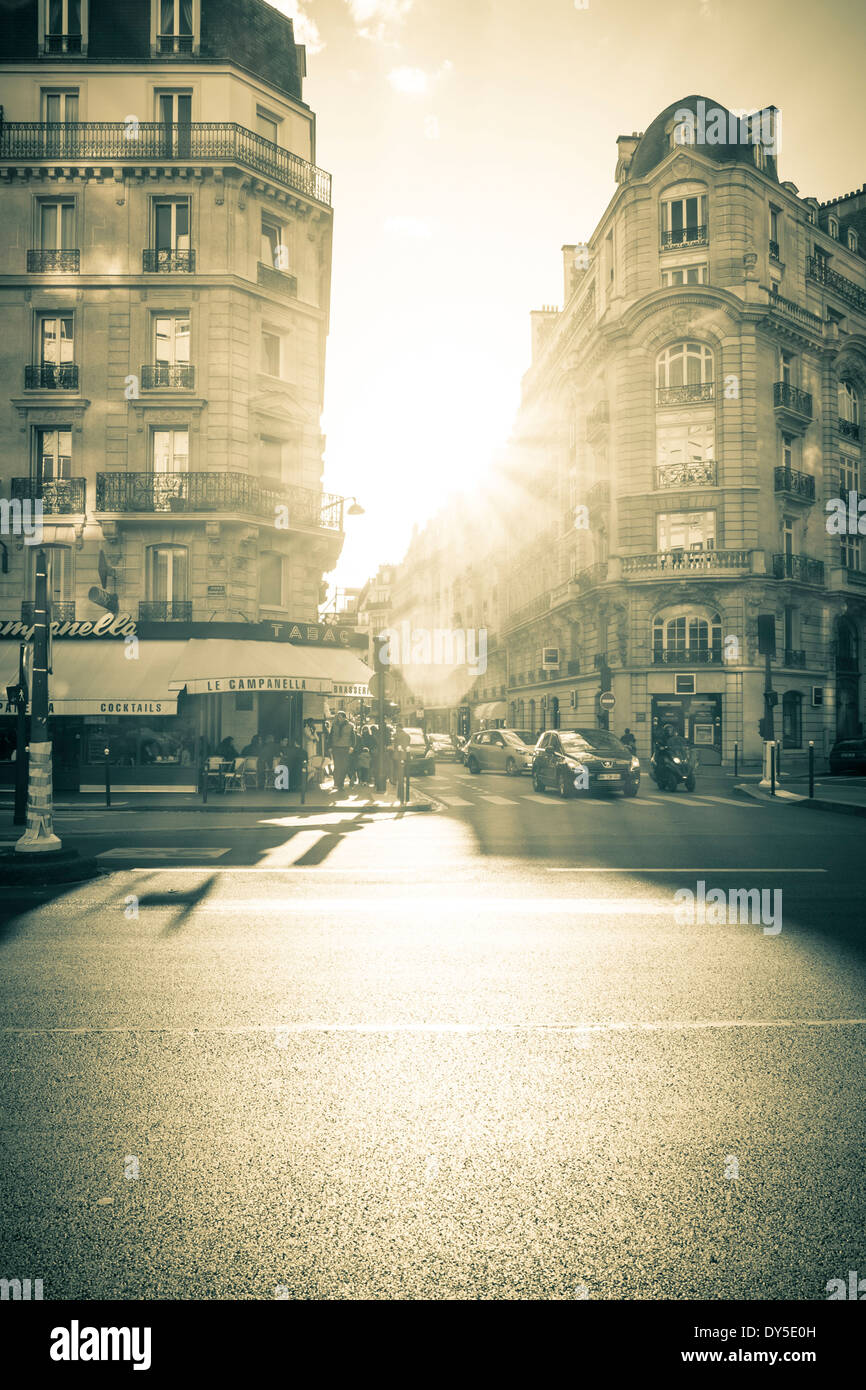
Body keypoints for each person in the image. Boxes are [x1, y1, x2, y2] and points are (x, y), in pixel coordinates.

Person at [327, 710, 356, 791]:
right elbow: (330, 736)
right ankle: (336, 783)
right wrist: (329, 746)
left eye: (340, 717)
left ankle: (341, 784)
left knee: (344, 767)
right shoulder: (334, 725)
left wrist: (352, 747)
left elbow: (353, 738)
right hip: (336, 747)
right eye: (337, 717)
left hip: (345, 748)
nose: (338, 718)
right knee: (337, 766)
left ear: (344, 717)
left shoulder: (350, 726)